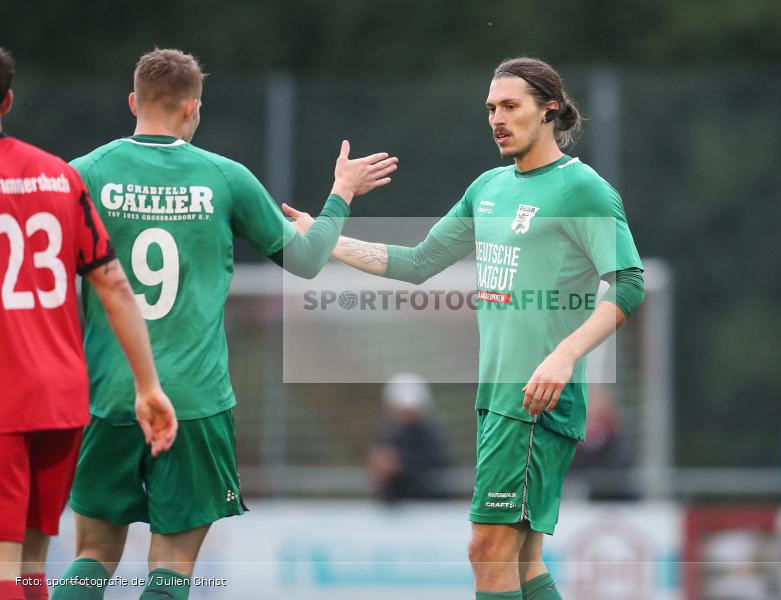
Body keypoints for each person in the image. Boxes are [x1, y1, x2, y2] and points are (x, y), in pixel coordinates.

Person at [285, 56, 644, 600]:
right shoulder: (488, 188)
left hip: (535, 400)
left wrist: (565, 354)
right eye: (491, 108)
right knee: (521, 559)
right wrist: (329, 236)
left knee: (488, 549)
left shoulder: (582, 189)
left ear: (549, 110)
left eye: (511, 106)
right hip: (499, 399)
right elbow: (418, 261)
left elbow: (629, 285)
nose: (497, 118)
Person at [51, 48, 397, 600]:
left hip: (109, 395)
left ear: (134, 101)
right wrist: (342, 194)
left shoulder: (82, 174)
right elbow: (306, 261)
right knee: (172, 569)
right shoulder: (224, 178)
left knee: (93, 554)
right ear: (193, 109)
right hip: (194, 401)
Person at [0, 47, 177, 600]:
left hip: (5, 398)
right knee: (30, 564)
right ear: (7, 100)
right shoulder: (58, 176)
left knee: (4, 568)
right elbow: (116, 286)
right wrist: (148, 386)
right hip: (60, 400)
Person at [368, 373, 448, 502]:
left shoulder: (430, 433)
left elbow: (434, 466)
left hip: (428, 505)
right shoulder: (386, 432)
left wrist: (398, 465)